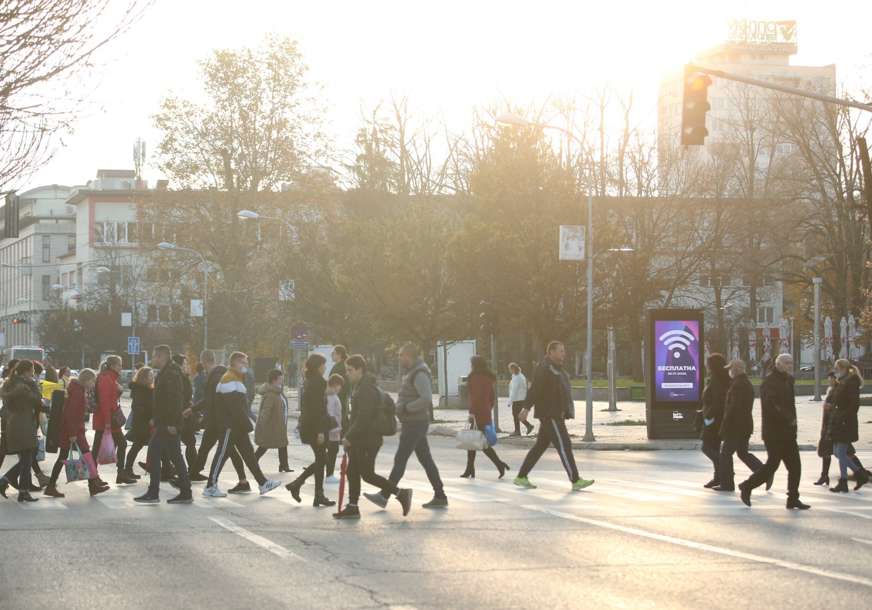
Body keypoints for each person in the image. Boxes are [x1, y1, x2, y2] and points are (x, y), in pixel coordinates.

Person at [365, 344, 447, 511]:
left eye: (401, 355)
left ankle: (384, 495)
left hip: (415, 423)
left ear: (409, 356)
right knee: (426, 460)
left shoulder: (419, 373)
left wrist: (406, 408)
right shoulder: (412, 371)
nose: (399, 358)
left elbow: (426, 398)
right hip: (413, 422)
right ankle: (440, 495)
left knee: (400, 460)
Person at [335, 355, 411, 519]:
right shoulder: (361, 386)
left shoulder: (365, 390)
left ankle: (401, 493)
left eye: (350, 370)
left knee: (367, 474)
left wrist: (349, 436)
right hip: (362, 438)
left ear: (359, 370)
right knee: (352, 472)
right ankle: (353, 506)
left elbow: (363, 417)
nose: (347, 374)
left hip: (368, 440)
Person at [514, 341, 594, 491]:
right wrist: (526, 408)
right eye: (561, 351)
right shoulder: (544, 368)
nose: (564, 354)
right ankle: (575, 480)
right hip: (550, 414)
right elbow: (535, 390)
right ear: (551, 352)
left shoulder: (556, 369)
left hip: (555, 413)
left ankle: (521, 477)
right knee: (565, 445)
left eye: (564, 351)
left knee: (540, 447)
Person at [203, 351, 280, 498]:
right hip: (229, 426)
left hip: (236, 426)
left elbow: (240, 407)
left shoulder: (236, 379)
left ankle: (263, 483)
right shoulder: (229, 379)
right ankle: (210, 486)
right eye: (242, 362)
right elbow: (235, 408)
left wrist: (245, 423)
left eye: (246, 363)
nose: (245, 365)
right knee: (222, 453)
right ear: (234, 363)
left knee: (249, 455)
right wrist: (248, 424)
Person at [738, 354, 810, 510]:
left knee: (795, 466)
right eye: (786, 363)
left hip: (788, 431)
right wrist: (788, 418)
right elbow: (771, 405)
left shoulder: (788, 380)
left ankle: (793, 498)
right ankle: (747, 486)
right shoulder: (769, 382)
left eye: (791, 362)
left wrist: (791, 422)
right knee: (772, 465)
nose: (789, 365)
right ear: (777, 364)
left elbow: (789, 404)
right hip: (774, 432)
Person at [135, 345, 192, 504]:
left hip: (168, 423)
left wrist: (173, 423)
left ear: (162, 356)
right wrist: (156, 417)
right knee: (175, 456)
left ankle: (154, 492)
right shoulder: (168, 372)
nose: (153, 360)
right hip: (164, 421)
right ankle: (185, 492)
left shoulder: (171, 374)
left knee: (154, 455)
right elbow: (163, 400)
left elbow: (175, 400)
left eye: (154, 356)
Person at [188, 350, 249, 490]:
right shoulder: (216, 374)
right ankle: (243, 481)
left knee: (223, 451)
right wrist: (193, 409)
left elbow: (213, 400)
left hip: (217, 421)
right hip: (217, 421)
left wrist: (197, 411)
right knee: (227, 451)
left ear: (203, 361)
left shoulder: (216, 376)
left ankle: (194, 478)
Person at [43, 369, 108, 497]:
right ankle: (92, 485)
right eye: (92, 381)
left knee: (66, 457)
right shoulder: (78, 391)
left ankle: (52, 486)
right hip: (74, 431)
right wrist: (72, 433)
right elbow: (70, 414)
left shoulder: (77, 389)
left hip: (73, 430)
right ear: (86, 380)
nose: (93, 384)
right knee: (86, 457)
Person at [285, 353, 335, 507]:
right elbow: (317, 409)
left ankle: (308, 489)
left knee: (322, 459)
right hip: (315, 427)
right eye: (323, 364)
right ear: (318, 366)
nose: (325, 367)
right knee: (322, 459)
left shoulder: (309, 381)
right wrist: (320, 431)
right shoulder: (318, 382)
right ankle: (303, 487)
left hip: (310, 425)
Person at [714, 359, 764, 492]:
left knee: (725, 454)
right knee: (742, 453)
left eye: (730, 369)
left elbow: (732, 408)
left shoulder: (738, 385)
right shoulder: (744, 383)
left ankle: (727, 484)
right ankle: (763, 472)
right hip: (744, 425)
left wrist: (725, 427)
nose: (729, 371)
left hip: (735, 426)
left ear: (735, 370)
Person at [461, 356, 509, 479]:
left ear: (474, 365)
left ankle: (497, 465)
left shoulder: (473, 378)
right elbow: (492, 398)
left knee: (475, 442)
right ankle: (471, 469)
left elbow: (474, 397)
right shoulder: (488, 378)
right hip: (485, 413)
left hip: (475, 413)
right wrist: (487, 409)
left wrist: (472, 412)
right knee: (473, 442)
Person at [0, 360, 42, 501]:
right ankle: (9, 482)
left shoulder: (10, 383)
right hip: (24, 423)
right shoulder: (26, 386)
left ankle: (19, 488)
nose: (33, 373)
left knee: (26, 458)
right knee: (27, 458)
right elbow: (37, 400)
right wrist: (34, 385)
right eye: (32, 370)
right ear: (26, 371)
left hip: (14, 423)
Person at [828, 358, 869, 493]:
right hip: (840, 420)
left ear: (842, 368)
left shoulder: (851, 382)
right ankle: (860, 474)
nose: (835, 371)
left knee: (840, 452)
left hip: (846, 421)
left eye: (836, 368)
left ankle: (844, 482)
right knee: (836, 452)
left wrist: (844, 417)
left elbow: (854, 404)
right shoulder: (843, 381)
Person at [93, 355, 136, 485]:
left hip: (109, 419)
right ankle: (95, 477)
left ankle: (118, 474)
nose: (121, 367)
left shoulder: (110, 378)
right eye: (119, 365)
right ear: (112, 366)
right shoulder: (106, 378)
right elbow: (105, 402)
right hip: (106, 420)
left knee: (118, 444)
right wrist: (106, 423)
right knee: (97, 449)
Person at [700, 353, 729, 489]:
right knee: (715, 447)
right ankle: (718, 477)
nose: (706, 366)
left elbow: (717, 401)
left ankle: (725, 471)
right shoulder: (721, 378)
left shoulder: (716, 380)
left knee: (706, 447)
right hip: (717, 418)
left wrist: (708, 417)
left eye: (708, 363)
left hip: (713, 419)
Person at [254, 369, 291, 473]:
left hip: (279, 424)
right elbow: (265, 411)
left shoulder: (278, 391)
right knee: (265, 445)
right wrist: (261, 425)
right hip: (272, 426)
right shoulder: (271, 394)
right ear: (275, 380)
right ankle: (252, 460)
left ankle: (284, 465)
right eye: (281, 377)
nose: (283, 378)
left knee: (282, 444)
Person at [124, 366, 155, 480]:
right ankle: (128, 469)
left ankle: (131, 468)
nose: (152, 378)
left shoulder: (147, 389)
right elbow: (138, 407)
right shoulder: (140, 389)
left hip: (145, 422)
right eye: (150, 376)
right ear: (143, 377)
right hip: (142, 423)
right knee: (138, 446)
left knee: (142, 445)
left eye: (153, 375)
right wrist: (150, 416)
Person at [327, 345, 349, 479]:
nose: (332, 356)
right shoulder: (344, 366)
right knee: (335, 446)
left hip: (338, 406)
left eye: (333, 353)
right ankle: (328, 471)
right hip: (339, 408)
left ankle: (326, 469)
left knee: (338, 444)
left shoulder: (338, 368)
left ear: (339, 354)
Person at [174, 354, 198, 475]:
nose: (187, 366)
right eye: (185, 364)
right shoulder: (179, 378)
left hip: (185, 413)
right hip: (183, 414)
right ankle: (191, 470)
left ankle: (192, 469)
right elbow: (181, 397)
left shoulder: (182, 377)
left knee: (188, 442)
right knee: (186, 442)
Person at [324, 374, 343, 482]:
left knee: (330, 452)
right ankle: (329, 475)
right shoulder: (331, 397)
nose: (340, 388)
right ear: (336, 384)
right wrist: (335, 429)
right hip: (333, 430)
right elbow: (331, 414)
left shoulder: (330, 395)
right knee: (332, 451)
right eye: (340, 385)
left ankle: (320, 470)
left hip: (333, 428)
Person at [508, 363, 532, 436]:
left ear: (513, 369)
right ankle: (527, 426)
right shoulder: (520, 376)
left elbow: (514, 390)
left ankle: (518, 431)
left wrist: (510, 401)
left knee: (516, 415)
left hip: (518, 399)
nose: (509, 370)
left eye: (510, 369)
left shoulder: (517, 378)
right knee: (517, 415)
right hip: (521, 398)